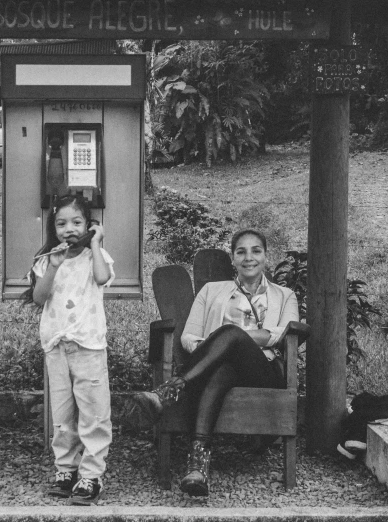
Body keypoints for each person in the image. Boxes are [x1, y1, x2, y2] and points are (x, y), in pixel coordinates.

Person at [131, 229, 299, 496]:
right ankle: (198, 467)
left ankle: (171, 390)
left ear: (266, 257)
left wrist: (228, 338)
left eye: (256, 250)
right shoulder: (211, 291)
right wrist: (218, 349)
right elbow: (188, 337)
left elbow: (279, 335)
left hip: (263, 372)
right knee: (223, 368)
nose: (248, 258)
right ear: (232, 259)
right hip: (218, 371)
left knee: (231, 333)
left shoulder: (285, 295)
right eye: (241, 251)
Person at [23, 194, 115, 505]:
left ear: (89, 225)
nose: (69, 229)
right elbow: (39, 297)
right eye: (61, 223)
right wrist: (53, 265)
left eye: (77, 222)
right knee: (62, 413)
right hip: (57, 345)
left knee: (93, 411)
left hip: (88, 343)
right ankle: (66, 468)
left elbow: (102, 278)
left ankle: (91, 475)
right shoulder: (46, 260)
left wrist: (96, 244)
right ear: (53, 228)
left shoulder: (95, 257)